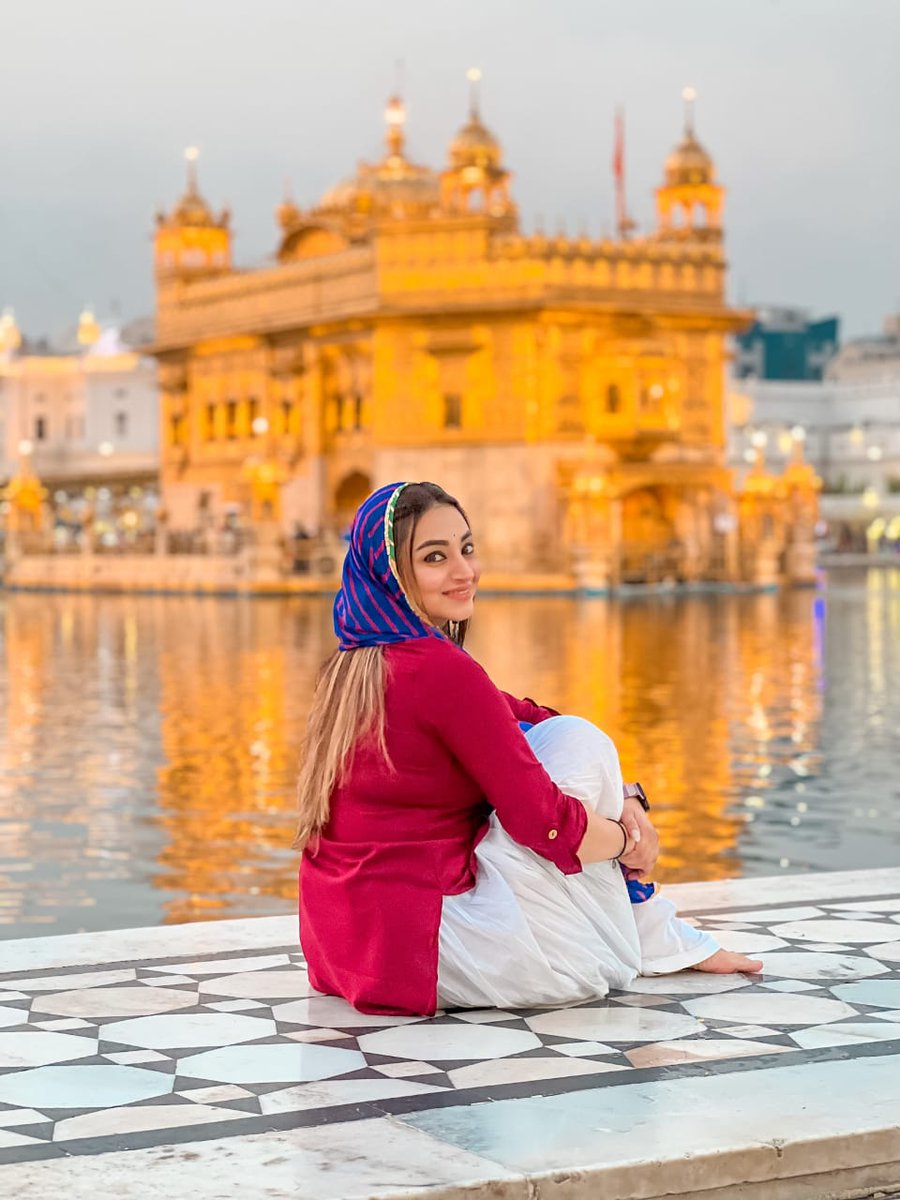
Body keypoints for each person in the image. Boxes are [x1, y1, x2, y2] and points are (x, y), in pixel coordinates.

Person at [295, 482, 761, 1016]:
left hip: (342, 951)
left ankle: (650, 925)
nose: (463, 571)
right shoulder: (438, 669)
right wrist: (627, 839)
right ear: (392, 573)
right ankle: (651, 926)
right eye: (434, 557)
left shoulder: (350, 668)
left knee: (567, 737)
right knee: (582, 744)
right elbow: (545, 825)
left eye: (466, 549)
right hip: (425, 954)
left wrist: (627, 796)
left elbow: (525, 717)